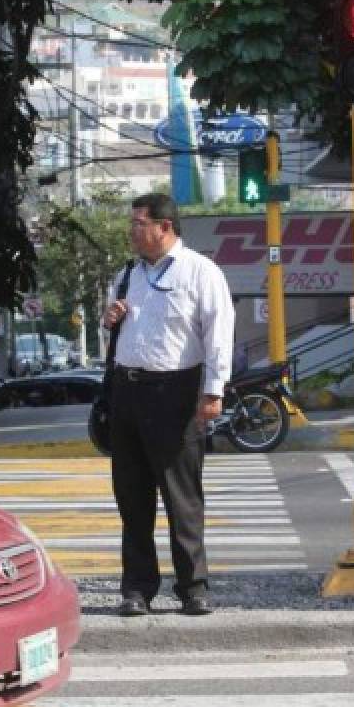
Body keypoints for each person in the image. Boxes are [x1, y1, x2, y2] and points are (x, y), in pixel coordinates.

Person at [101, 192, 235, 617]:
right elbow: (111, 338)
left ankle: (193, 586)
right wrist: (110, 320)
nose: (133, 231)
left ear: (165, 226)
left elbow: (219, 334)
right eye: (132, 223)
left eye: (140, 223)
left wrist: (213, 392)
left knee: (182, 498)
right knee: (132, 497)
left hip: (176, 393)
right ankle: (137, 589)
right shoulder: (127, 275)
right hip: (128, 391)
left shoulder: (201, 272)